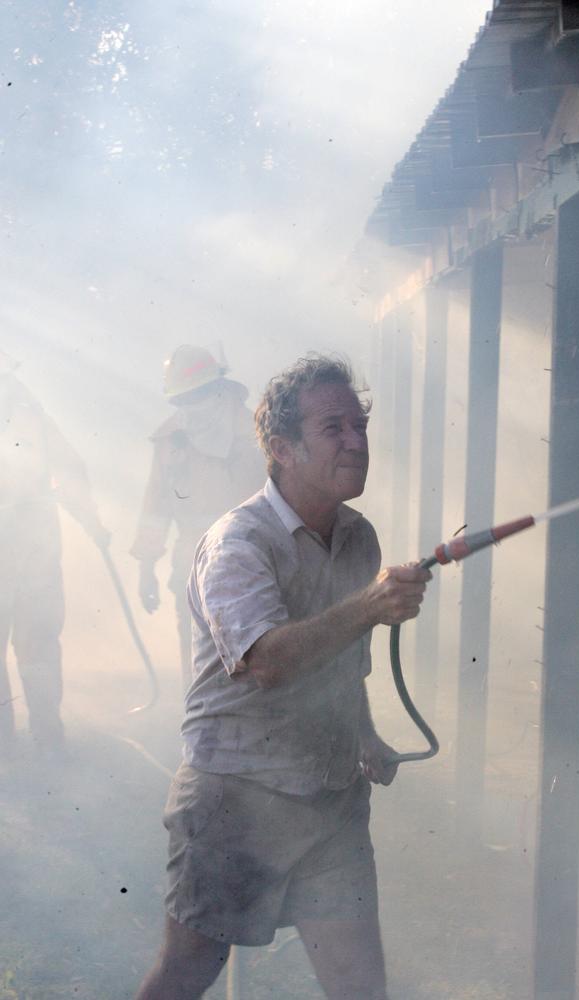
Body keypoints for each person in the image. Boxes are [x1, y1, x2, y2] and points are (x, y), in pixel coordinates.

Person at [135, 355, 431, 1000]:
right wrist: (371, 604)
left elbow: (343, 660)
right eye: (334, 428)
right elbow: (264, 661)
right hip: (234, 797)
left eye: (360, 425)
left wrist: (365, 734)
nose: (356, 442)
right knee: (185, 974)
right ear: (281, 448)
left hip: (330, 797)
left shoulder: (359, 537)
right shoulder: (237, 541)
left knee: (360, 985)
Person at [131, 345, 265, 689]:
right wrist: (147, 569)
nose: (190, 407)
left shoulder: (255, 432)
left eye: (198, 395)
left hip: (252, 561)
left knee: (251, 653)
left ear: (218, 388)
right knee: (198, 657)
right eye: (181, 400)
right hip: (191, 564)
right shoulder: (170, 439)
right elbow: (155, 508)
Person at [0, 350, 109, 758]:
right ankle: (45, 735)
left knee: (37, 641)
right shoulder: (33, 415)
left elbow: (68, 472)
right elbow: (70, 471)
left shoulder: (31, 416)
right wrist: (91, 523)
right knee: (39, 642)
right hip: (36, 546)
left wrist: (92, 522)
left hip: (30, 548)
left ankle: (21, 740)